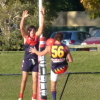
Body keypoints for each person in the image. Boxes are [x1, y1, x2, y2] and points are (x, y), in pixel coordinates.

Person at [29, 32, 73, 100]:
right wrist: (65, 59)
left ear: (55, 38)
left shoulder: (50, 47)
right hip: (64, 68)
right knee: (62, 69)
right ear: (62, 39)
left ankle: (54, 99)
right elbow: (70, 60)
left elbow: (40, 54)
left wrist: (35, 51)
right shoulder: (66, 47)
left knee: (53, 86)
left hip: (55, 69)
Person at [18, 7, 45, 100]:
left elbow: (41, 28)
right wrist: (23, 18)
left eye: (34, 31)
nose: (33, 32)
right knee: (24, 79)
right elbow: (21, 28)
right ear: (29, 32)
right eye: (31, 31)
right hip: (26, 61)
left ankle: (33, 97)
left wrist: (42, 16)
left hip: (34, 62)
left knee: (35, 80)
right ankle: (21, 97)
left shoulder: (36, 38)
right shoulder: (26, 38)